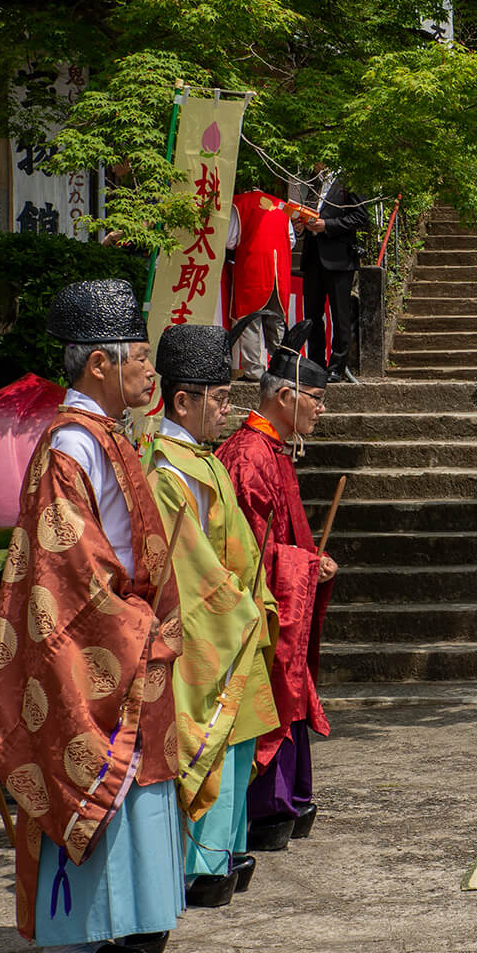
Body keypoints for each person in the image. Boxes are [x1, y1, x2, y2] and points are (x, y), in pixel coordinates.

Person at [0, 278, 184, 953]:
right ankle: (70, 944)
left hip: (128, 628)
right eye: (139, 353)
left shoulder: (103, 436)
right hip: (95, 637)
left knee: (135, 785)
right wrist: (134, 624)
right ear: (99, 363)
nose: (149, 368)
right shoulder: (72, 444)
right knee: (89, 774)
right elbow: (67, 569)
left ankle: (132, 918)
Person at [144, 324, 280, 909]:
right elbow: (187, 568)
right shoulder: (165, 472)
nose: (228, 410)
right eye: (220, 399)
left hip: (232, 621)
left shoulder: (204, 462)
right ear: (183, 401)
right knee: (209, 744)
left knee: (236, 741)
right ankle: (201, 863)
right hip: (209, 629)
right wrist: (242, 607)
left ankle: (225, 851)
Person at [216, 323, 334, 851]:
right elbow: (246, 554)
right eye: (317, 398)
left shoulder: (272, 450)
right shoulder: (248, 456)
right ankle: (267, 807)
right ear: (285, 396)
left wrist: (308, 563)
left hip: (279, 596)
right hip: (256, 607)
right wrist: (303, 567)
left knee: (290, 683)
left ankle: (288, 798)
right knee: (269, 691)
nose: (321, 409)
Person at [298, 170, 370, 384]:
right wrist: (301, 224)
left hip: (338, 257)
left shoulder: (349, 180)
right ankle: (315, 364)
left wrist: (327, 225)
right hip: (312, 257)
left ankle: (337, 366)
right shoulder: (314, 183)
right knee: (312, 314)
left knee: (340, 314)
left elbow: (360, 217)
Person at [227, 187, 294, 382]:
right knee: (277, 320)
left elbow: (230, 240)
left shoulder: (240, 204)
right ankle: (283, 368)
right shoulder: (282, 205)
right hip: (279, 269)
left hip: (253, 266)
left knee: (249, 320)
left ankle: (255, 372)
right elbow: (291, 240)